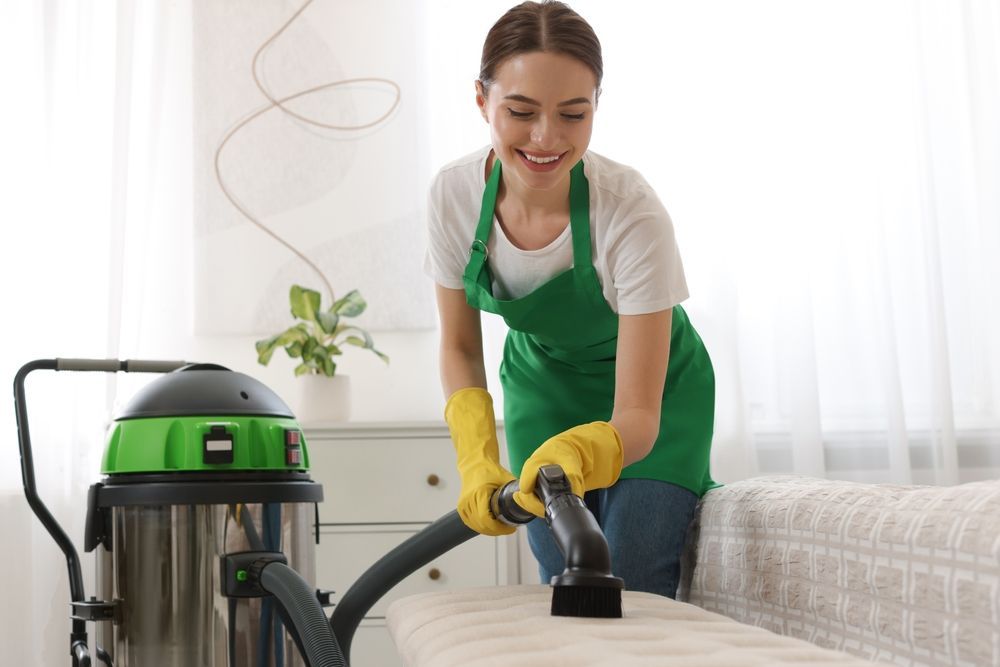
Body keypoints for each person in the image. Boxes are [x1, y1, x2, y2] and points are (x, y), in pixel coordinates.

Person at [425, 0, 715, 599]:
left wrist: (586, 447)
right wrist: (476, 456)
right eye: (520, 111)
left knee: (628, 573)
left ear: (596, 109)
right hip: (543, 390)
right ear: (482, 101)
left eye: (572, 114)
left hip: (653, 396)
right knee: (567, 581)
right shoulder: (454, 196)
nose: (546, 138)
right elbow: (458, 345)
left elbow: (636, 412)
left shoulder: (630, 212)